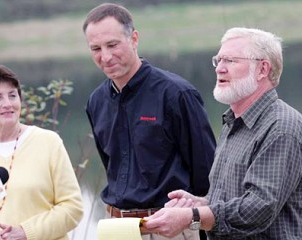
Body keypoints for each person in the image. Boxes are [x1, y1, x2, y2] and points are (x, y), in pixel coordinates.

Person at [143, 27, 302, 239]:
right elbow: (234, 200)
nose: (219, 69)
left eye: (230, 61)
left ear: (262, 69)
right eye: (218, 60)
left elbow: (258, 209)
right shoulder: (232, 122)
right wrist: (200, 203)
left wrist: (193, 216)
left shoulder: (282, 126)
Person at [82, 3, 216, 240]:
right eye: (96, 48)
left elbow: (206, 173)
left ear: (134, 39)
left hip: (171, 229)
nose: (106, 56)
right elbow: (111, 169)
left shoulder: (176, 94)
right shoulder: (96, 102)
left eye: (113, 45)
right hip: (117, 229)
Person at [0, 64, 84, 240]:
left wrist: (25, 232)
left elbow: (72, 208)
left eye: (12, 95)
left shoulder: (48, 142)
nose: (7, 104)